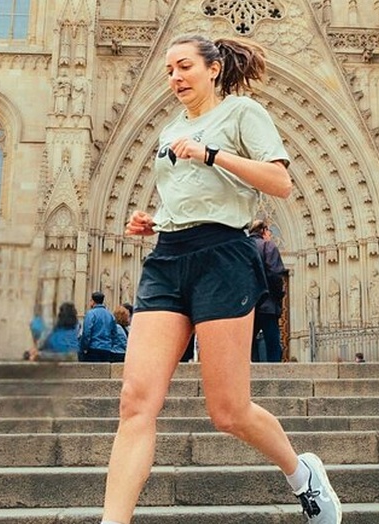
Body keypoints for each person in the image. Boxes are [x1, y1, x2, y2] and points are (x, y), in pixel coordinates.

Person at [101, 34, 341, 524]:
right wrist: (156, 219)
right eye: (168, 71)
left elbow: (281, 183)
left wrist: (212, 154)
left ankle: (302, 474)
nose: (174, 78)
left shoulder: (242, 113)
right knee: (135, 402)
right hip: (168, 257)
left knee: (228, 411)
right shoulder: (168, 131)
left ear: (212, 69)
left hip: (224, 256)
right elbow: (186, 195)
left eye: (184, 66)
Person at [248, 219, 286, 363]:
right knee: (273, 347)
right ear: (264, 231)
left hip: (246, 306)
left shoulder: (242, 247)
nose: (270, 234)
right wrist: (278, 295)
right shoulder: (267, 246)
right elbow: (275, 274)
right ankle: (274, 379)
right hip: (267, 304)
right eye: (269, 231)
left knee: (247, 347)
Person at [79, 291, 122, 363]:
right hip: (106, 349)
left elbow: (86, 332)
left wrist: (84, 347)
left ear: (93, 301)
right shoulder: (110, 315)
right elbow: (115, 333)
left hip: (93, 348)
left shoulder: (91, 314)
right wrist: (110, 345)